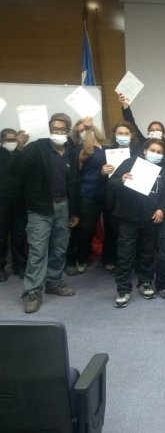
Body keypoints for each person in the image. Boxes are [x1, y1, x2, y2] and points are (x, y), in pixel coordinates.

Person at [19, 113, 80, 313]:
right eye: (55, 129)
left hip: (64, 206)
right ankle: (33, 291)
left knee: (60, 248)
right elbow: (19, 171)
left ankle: (53, 282)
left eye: (62, 129)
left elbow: (75, 183)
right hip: (40, 208)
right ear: (49, 129)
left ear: (68, 131)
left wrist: (75, 212)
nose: (58, 132)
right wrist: (19, 148)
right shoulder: (36, 148)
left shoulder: (71, 150)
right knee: (38, 250)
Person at [108, 139, 165, 308]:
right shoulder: (130, 162)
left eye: (159, 152)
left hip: (150, 219)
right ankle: (123, 289)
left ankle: (145, 282)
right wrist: (121, 179)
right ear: (145, 150)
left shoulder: (164, 170)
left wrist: (161, 209)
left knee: (147, 253)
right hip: (128, 217)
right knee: (125, 254)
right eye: (153, 150)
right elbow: (112, 183)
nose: (155, 154)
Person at [64, 117, 116, 275]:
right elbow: (88, 151)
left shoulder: (108, 147)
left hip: (109, 193)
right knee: (86, 229)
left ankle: (108, 259)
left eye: (87, 129)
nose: (85, 132)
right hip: (89, 193)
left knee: (111, 227)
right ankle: (81, 258)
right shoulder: (79, 149)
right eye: (81, 131)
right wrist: (87, 129)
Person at [0, 128, 29, 280]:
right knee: (1, 235)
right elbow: (10, 166)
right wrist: (19, 148)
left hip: (19, 201)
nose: (12, 142)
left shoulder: (22, 153)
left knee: (19, 235)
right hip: (2, 201)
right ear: (2, 141)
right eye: (9, 140)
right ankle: (1, 267)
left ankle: (20, 265)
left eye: (14, 140)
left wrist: (20, 148)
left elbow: (24, 171)